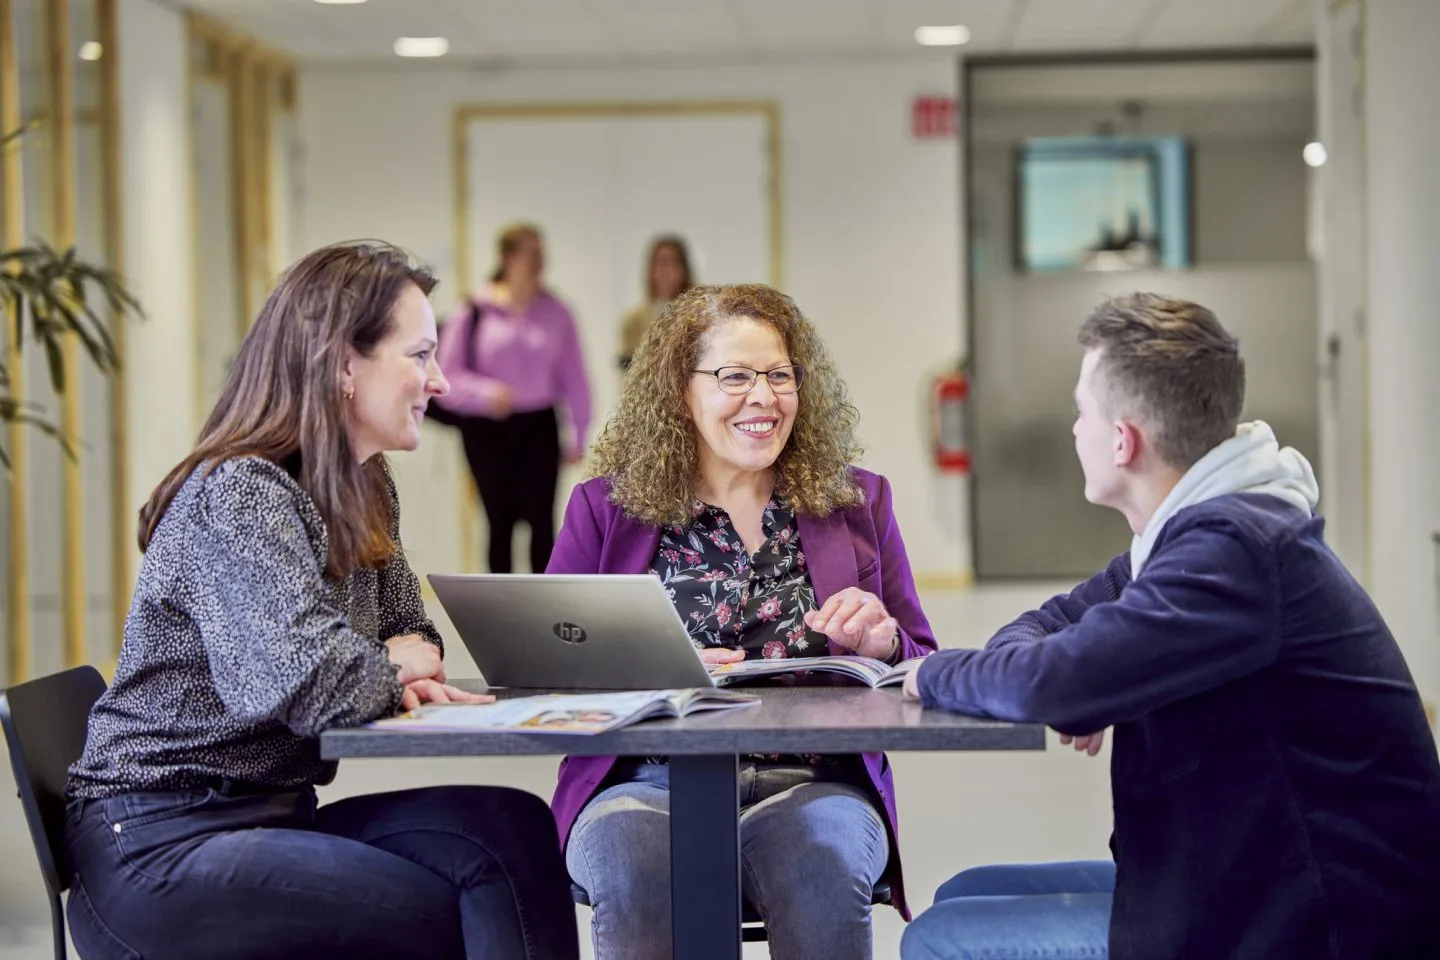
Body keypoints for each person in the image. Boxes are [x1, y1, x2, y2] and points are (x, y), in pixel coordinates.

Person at [63, 242, 580, 960]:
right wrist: (381, 664)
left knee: (512, 825)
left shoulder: (366, 487)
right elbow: (306, 685)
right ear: (343, 364)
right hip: (161, 844)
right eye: (420, 355)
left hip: (270, 816)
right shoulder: (242, 493)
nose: (438, 382)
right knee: (445, 910)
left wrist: (387, 661)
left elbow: (412, 633)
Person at [900, 293, 1440, 960]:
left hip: (1322, 925)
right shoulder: (1196, 535)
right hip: (1248, 881)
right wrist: (1084, 676)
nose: (1074, 430)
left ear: (1123, 440)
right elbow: (1052, 631)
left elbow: (1051, 682)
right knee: (965, 891)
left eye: (1082, 413)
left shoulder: (1235, 550)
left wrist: (932, 671)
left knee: (942, 940)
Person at [547, 283, 937, 960]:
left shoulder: (857, 502)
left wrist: (885, 641)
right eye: (735, 377)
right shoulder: (604, 510)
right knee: (639, 873)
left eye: (779, 375)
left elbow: (924, 657)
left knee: (824, 865)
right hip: (643, 780)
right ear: (679, 393)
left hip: (815, 782)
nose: (764, 397)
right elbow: (549, 658)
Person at [434, 222, 592, 573]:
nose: (539, 261)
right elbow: (445, 376)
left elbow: (575, 377)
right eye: (530, 253)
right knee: (499, 524)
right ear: (507, 257)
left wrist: (579, 434)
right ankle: (500, 617)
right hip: (488, 430)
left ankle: (546, 614)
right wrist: (484, 393)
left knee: (542, 524)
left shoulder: (556, 312)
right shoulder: (474, 310)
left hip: (539, 426)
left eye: (541, 253)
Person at [618, 233, 694, 370]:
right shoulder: (633, 322)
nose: (667, 270)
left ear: (684, 269)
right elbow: (627, 372)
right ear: (651, 269)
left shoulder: (697, 316)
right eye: (662, 262)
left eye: (674, 262)